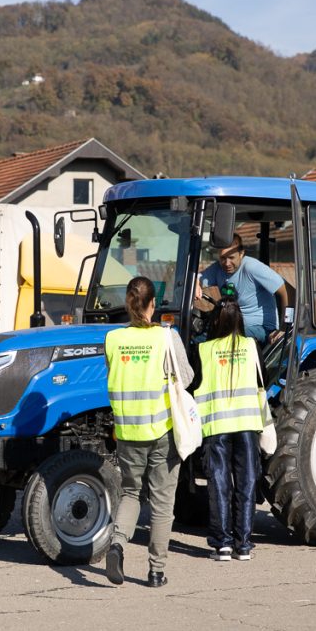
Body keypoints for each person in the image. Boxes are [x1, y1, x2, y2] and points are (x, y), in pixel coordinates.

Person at [103, 276, 193, 588]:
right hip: (161, 432)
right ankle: (156, 571)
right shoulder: (166, 337)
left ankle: (116, 544)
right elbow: (188, 376)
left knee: (130, 493)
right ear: (152, 304)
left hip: (128, 430)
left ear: (128, 304)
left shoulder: (113, 338)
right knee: (162, 503)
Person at [194, 296, 265, 562]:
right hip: (247, 425)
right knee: (246, 484)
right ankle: (243, 545)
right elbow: (262, 379)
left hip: (216, 426)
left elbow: (195, 384)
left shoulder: (205, 350)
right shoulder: (251, 346)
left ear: (216, 321)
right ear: (241, 321)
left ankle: (222, 544)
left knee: (219, 485)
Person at [200, 236, 288, 344]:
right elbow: (198, 279)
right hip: (234, 326)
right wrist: (195, 284)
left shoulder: (252, 267)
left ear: (241, 254)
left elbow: (287, 291)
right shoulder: (218, 268)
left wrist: (284, 328)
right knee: (198, 337)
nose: (227, 263)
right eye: (223, 258)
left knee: (222, 338)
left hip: (261, 329)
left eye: (231, 258)